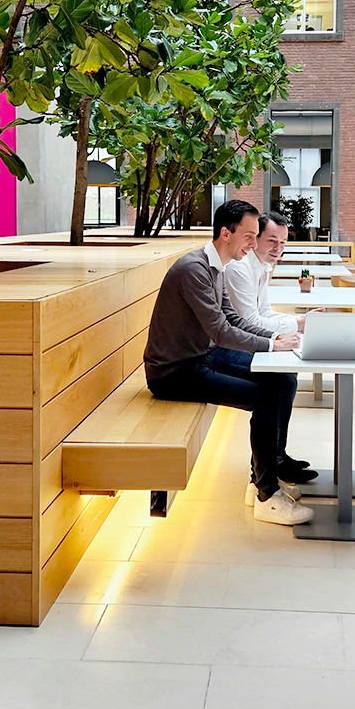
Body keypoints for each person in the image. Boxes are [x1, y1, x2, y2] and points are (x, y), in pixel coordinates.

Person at [144, 199, 313, 525]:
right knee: (264, 400)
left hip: (200, 359)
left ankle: (260, 480)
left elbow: (233, 318)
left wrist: (274, 340)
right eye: (250, 236)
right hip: (174, 373)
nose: (253, 244)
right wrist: (270, 344)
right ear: (226, 233)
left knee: (279, 380)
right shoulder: (194, 270)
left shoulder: (215, 267)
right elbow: (220, 331)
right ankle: (267, 497)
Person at [225, 210, 322, 501]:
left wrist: (297, 322)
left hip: (240, 339)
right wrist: (297, 325)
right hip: (225, 345)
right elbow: (248, 321)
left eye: (283, 242)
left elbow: (264, 312)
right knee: (281, 380)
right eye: (271, 240)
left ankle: (276, 456)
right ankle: (267, 467)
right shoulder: (239, 268)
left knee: (286, 376)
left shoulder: (262, 267)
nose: (278, 248)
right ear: (255, 239)